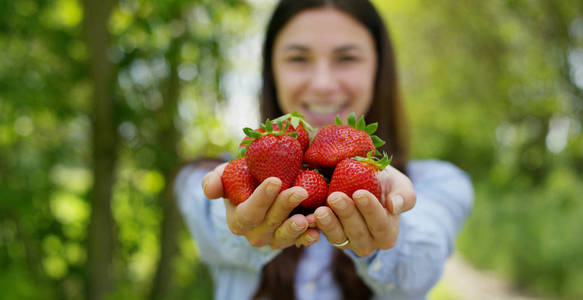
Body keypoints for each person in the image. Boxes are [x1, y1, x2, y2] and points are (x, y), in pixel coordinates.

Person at [174, 0, 473, 299]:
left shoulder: (442, 183)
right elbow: (216, 223)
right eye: (298, 58)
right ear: (271, 71)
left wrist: (383, 213)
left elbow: (420, 266)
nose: (322, 84)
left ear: (379, 69)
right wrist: (241, 207)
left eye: (346, 58)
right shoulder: (203, 178)